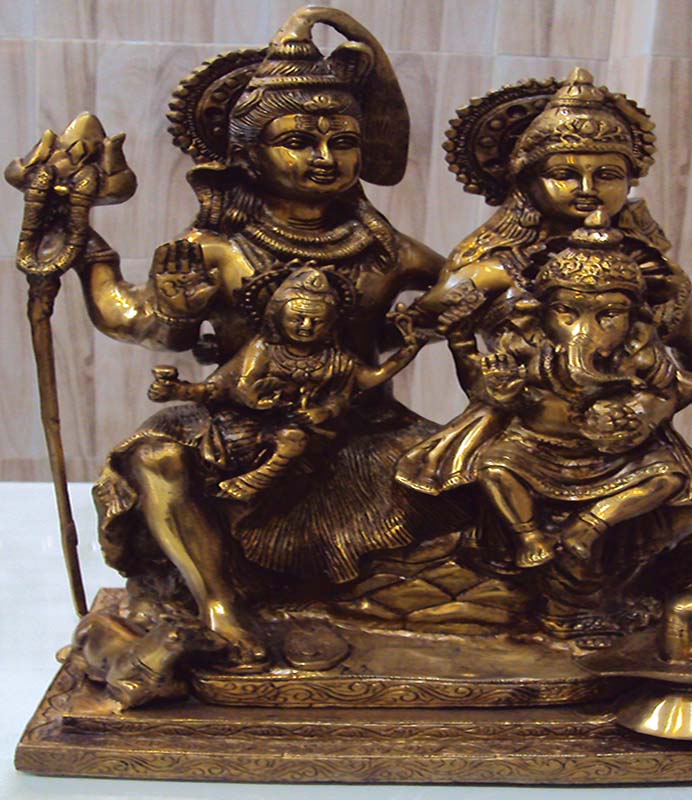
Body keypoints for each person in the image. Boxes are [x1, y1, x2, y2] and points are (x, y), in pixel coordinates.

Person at [16, 8, 460, 663]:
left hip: (364, 431)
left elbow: (467, 297)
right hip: (237, 426)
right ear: (249, 155)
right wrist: (95, 259)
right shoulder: (216, 250)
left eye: (343, 142)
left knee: (479, 474)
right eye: (299, 141)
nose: (325, 158)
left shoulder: (386, 248)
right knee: (154, 460)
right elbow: (142, 323)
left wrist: (464, 314)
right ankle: (217, 605)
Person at [398, 220, 692, 638]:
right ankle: (529, 538)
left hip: (615, 459)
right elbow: (487, 394)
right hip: (534, 449)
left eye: (608, 315)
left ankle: (595, 524)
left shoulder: (640, 356)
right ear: (543, 311)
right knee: (495, 467)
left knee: (669, 478)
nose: (585, 329)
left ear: (634, 317)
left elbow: (686, 388)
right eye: (566, 312)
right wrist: (479, 363)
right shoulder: (529, 350)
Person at [413, 68, 692, 464]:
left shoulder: (649, 271)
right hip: (518, 433)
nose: (587, 189)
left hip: (629, 437)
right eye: (564, 174)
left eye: (606, 175)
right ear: (526, 181)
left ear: (628, 182)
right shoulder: (492, 272)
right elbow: (415, 328)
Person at [147, 265, 427, 508]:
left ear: (331, 323)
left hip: (308, 432)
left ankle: (255, 482)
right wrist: (177, 391)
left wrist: (409, 349)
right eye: (297, 318)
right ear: (278, 316)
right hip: (247, 424)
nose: (306, 326)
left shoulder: (334, 358)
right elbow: (218, 387)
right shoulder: (263, 349)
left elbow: (367, 380)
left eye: (317, 320)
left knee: (296, 439)